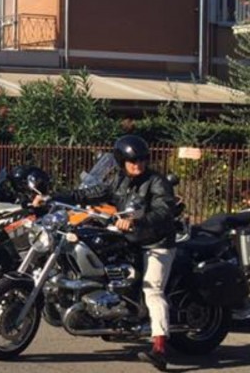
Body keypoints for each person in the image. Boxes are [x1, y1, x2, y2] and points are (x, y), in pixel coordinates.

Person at [33, 134, 176, 371]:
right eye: (133, 160)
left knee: (153, 289)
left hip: (156, 242)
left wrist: (136, 222)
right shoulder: (119, 180)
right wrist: (53, 198)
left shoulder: (157, 182)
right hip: (128, 238)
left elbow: (164, 211)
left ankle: (159, 348)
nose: (138, 164)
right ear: (121, 161)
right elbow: (88, 194)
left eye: (142, 159)